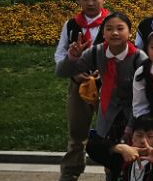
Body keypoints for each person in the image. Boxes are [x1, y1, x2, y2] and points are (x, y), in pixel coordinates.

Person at [48, 0, 109, 181]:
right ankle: (69, 177)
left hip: (107, 86)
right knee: (77, 132)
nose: (90, 3)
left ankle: (114, 177)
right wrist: (74, 72)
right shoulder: (71, 25)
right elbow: (60, 54)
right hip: (79, 85)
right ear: (79, 1)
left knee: (109, 132)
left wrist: (105, 72)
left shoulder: (112, 22)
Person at [56, 11, 147, 146]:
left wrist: (131, 126)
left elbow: (144, 98)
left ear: (129, 33)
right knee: (103, 149)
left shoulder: (139, 58)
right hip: (107, 112)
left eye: (120, 28)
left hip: (134, 113)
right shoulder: (96, 52)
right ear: (103, 33)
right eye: (109, 29)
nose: (114, 33)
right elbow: (62, 72)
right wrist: (72, 58)